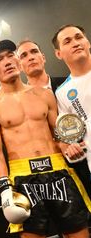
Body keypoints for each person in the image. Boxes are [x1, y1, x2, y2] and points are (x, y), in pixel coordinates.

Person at [0, 39, 91, 238]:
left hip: (60, 172)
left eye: (11, 55)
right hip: (23, 180)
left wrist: (69, 147)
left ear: (18, 60)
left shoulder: (45, 95)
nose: (7, 61)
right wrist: (4, 190)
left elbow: (59, 135)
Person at [17, 39, 91, 198]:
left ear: (43, 57)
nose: (30, 57)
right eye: (23, 55)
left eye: (34, 52)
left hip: (85, 160)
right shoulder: (20, 101)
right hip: (51, 174)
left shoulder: (70, 86)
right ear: (19, 65)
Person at [52, 24, 91, 175]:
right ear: (58, 54)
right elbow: (70, 137)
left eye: (79, 37)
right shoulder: (62, 92)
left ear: (88, 42)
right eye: (67, 41)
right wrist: (73, 149)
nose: (75, 43)